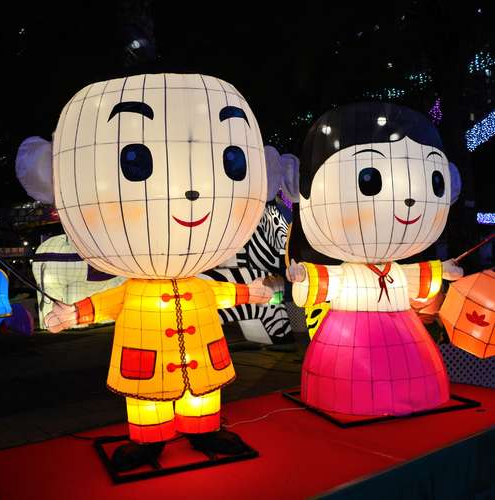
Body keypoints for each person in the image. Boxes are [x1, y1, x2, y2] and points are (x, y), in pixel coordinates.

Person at [45, 73, 273, 470]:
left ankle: (205, 430)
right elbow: (107, 302)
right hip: (145, 357)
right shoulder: (135, 289)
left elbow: (219, 293)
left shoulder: (198, 284)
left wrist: (248, 293)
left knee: (204, 396)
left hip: (202, 357)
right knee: (147, 402)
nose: (189, 193)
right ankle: (149, 442)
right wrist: (73, 313)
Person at [286, 102, 463, 416]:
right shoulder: (350, 273)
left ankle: (409, 399)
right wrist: (303, 276)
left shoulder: (396, 269)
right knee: (352, 381)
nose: (408, 200)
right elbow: (327, 280)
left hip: (404, 330)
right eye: (369, 179)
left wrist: (441, 270)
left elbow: (413, 276)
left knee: (411, 371)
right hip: (349, 335)